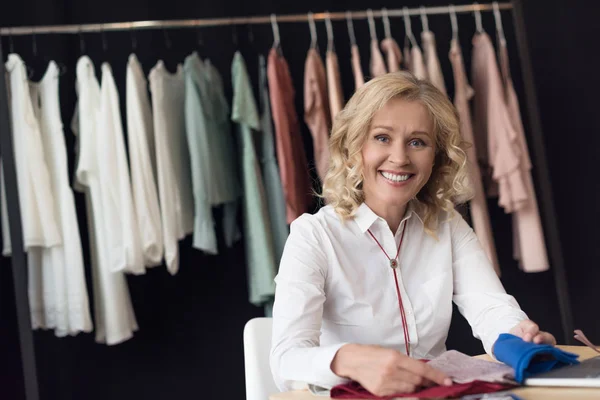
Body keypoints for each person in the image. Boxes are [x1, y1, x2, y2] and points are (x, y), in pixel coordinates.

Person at [269, 72, 556, 397]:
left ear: (436, 157)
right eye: (382, 137)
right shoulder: (314, 236)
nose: (400, 157)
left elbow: (490, 309)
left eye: (417, 142)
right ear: (354, 147)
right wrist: (347, 360)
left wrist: (519, 338)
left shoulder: (448, 226)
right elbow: (285, 362)